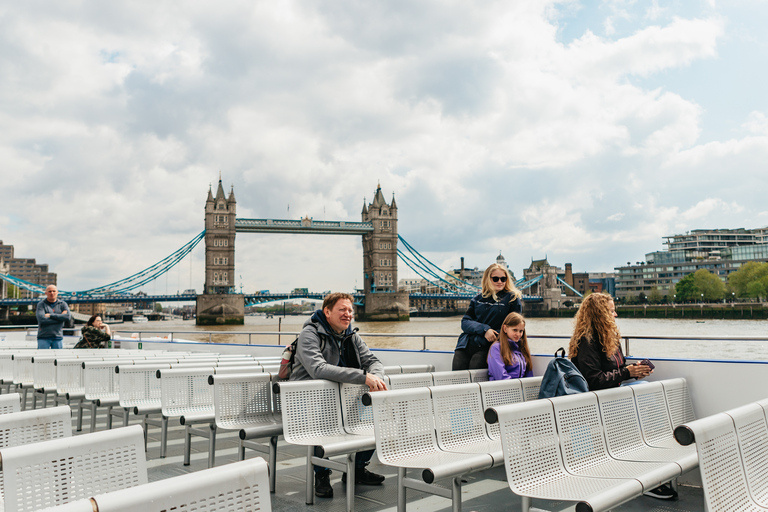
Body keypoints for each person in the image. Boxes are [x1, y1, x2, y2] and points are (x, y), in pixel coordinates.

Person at [568, 293, 675, 501]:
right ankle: (651, 470)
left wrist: (635, 370)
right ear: (600, 315)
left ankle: (654, 465)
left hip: (612, 397)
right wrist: (628, 373)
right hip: (594, 402)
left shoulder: (610, 338)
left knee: (646, 390)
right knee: (644, 393)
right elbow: (594, 380)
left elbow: (617, 371)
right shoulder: (586, 342)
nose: (615, 314)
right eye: (611, 310)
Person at [290, 292, 388, 499]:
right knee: (320, 419)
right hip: (307, 401)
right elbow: (318, 369)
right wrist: (363, 377)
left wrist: (375, 378)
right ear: (327, 311)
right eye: (342, 309)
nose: (348, 314)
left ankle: (358, 469)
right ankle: (322, 475)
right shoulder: (310, 334)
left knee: (379, 417)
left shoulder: (350, 335)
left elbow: (372, 361)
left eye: (350, 310)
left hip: (340, 398)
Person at [452, 263, 523, 370]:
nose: (500, 282)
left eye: (503, 279)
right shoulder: (477, 299)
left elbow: (513, 327)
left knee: (476, 374)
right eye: (495, 279)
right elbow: (465, 322)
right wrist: (485, 330)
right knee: (457, 377)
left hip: (488, 346)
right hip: (466, 345)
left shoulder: (512, 299)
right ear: (487, 279)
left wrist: (494, 334)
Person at [487, 312, 533, 380]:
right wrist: (517, 388)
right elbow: (501, 377)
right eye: (515, 330)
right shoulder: (496, 348)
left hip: (518, 388)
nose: (518, 334)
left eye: (521, 331)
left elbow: (529, 376)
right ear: (505, 328)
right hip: (503, 389)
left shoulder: (522, 348)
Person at [35, 285, 71, 349]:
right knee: (42, 358)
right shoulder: (41, 304)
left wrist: (51, 315)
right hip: (43, 337)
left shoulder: (63, 304)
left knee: (57, 358)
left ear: (57, 292)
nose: (52, 293)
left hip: (58, 337)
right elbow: (42, 319)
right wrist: (60, 319)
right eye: (49, 291)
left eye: (54, 291)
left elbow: (68, 317)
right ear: (46, 293)